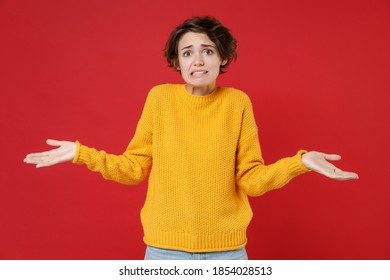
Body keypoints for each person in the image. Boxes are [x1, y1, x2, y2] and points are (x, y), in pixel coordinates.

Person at [24, 16, 359, 260]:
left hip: (227, 255)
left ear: (223, 57)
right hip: (163, 253)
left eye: (208, 51)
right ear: (176, 61)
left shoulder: (237, 103)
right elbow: (134, 168)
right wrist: (81, 154)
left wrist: (299, 162)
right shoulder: (160, 99)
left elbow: (252, 180)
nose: (197, 60)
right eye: (187, 53)